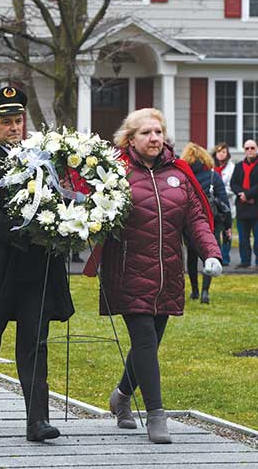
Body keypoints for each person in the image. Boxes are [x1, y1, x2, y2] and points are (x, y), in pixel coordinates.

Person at [93, 108, 221, 444]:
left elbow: (196, 220)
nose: (154, 138)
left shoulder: (179, 174)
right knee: (145, 341)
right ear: (130, 139)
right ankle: (155, 414)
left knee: (148, 345)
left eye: (158, 132)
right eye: (146, 133)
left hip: (168, 275)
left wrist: (211, 253)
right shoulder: (115, 173)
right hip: (128, 272)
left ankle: (121, 396)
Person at [0, 86, 74, 442]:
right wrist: (27, 232)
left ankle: (37, 420)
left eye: (18, 121)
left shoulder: (41, 159)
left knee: (34, 341)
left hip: (35, 267)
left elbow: (57, 200)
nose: (14, 128)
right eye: (7, 122)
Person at [180, 143, 230, 304]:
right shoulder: (213, 176)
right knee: (209, 256)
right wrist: (228, 226)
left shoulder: (183, 176)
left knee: (192, 256)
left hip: (189, 223)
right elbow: (224, 202)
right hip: (211, 222)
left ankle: (194, 290)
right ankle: (205, 292)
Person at [230, 139, 258, 270]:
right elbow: (233, 183)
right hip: (242, 207)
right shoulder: (239, 166)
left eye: (252, 148)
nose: (250, 150)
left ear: (257, 149)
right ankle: (245, 261)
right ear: (244, 150)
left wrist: (247, 195)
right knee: (243, 238)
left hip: (257, 206)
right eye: (247, 148)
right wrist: (241, 194)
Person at [212, 142, 235, 266]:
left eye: (223, 152)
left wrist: (220, 191)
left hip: (227, 204)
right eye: (219, 151)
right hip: (214, 206)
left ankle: (225, 257)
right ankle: (217, 256)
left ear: (227, 154)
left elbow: (232, 187)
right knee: (215, 232)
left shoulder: (232, 168)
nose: (221, 154)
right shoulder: (211, 167)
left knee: (227, 231)